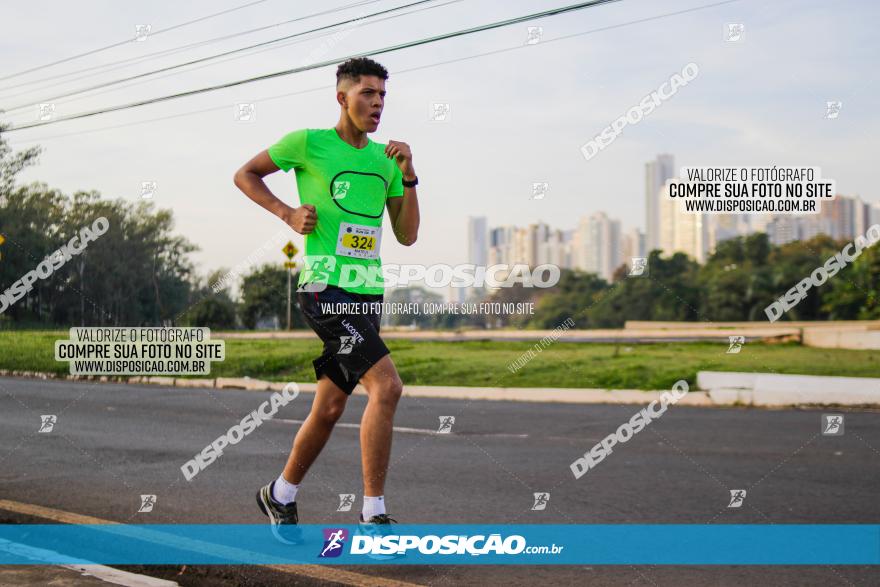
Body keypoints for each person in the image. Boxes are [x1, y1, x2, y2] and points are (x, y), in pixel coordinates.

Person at [233, 56, 419, 543]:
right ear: (343, 97)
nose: (377, 104)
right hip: (323, 288)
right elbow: (246, 174)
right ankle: (373, 514)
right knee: (388, 387)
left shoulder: (387, 161)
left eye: (382, 96)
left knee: (332, 405)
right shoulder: (308, 143)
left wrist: (410, 173)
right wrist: (287, 213)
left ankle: (281, 493)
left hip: (367, 293)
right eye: (367, 94)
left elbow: (407, 234)